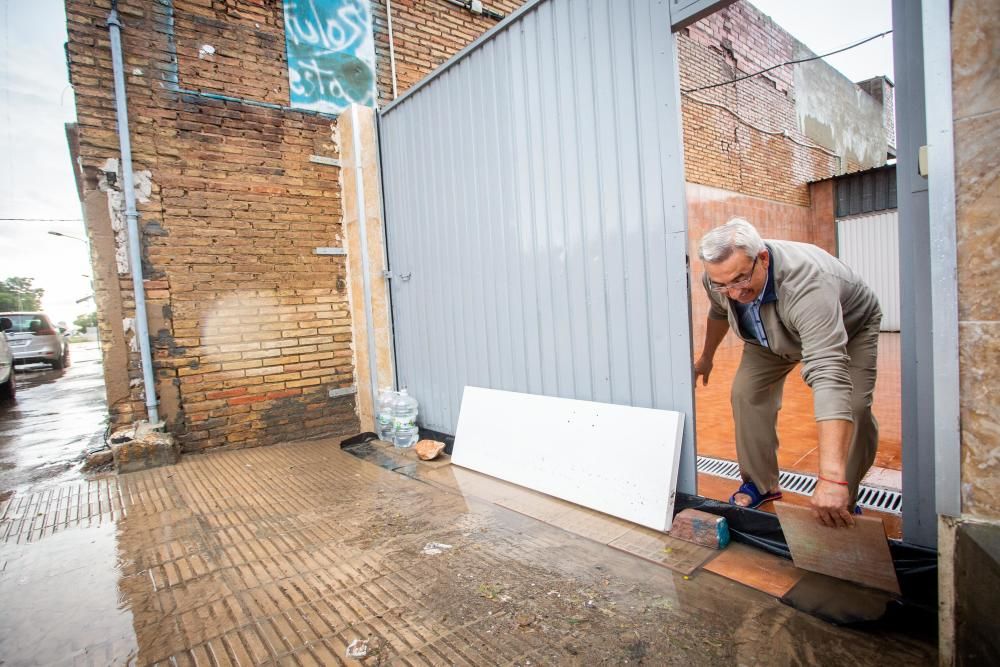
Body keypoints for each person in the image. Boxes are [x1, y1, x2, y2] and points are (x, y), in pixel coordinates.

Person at [693, 218, 882, 528]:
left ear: (763, 259)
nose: (733, 292)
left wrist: (830, 477)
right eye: (722, 284)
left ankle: (842, 493)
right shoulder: (719, 278)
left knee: (854, 407)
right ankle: (761, 483)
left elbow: (828, 372)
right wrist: (706, 358)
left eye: (740, 279)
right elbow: (718, 312)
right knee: (746, 394)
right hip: (767, 333)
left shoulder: (807, 283)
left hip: (849, 327)